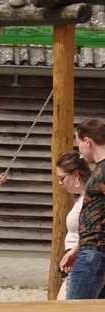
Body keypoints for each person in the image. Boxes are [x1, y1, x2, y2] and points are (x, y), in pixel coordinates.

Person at [65, 118, 105, 300]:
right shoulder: (99, 169)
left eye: (78, 143)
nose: (79, 151)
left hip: (94, 254)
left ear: (87, 141)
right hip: (90, 249)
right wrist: (76, 248)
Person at [54, 150, 91, 299]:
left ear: (76, 175)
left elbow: (92, 231)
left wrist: (74, 251)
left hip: (80, 258)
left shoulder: (90, 200)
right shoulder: (82, 199)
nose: (60, 183)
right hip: (75, 259)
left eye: (62, 178)